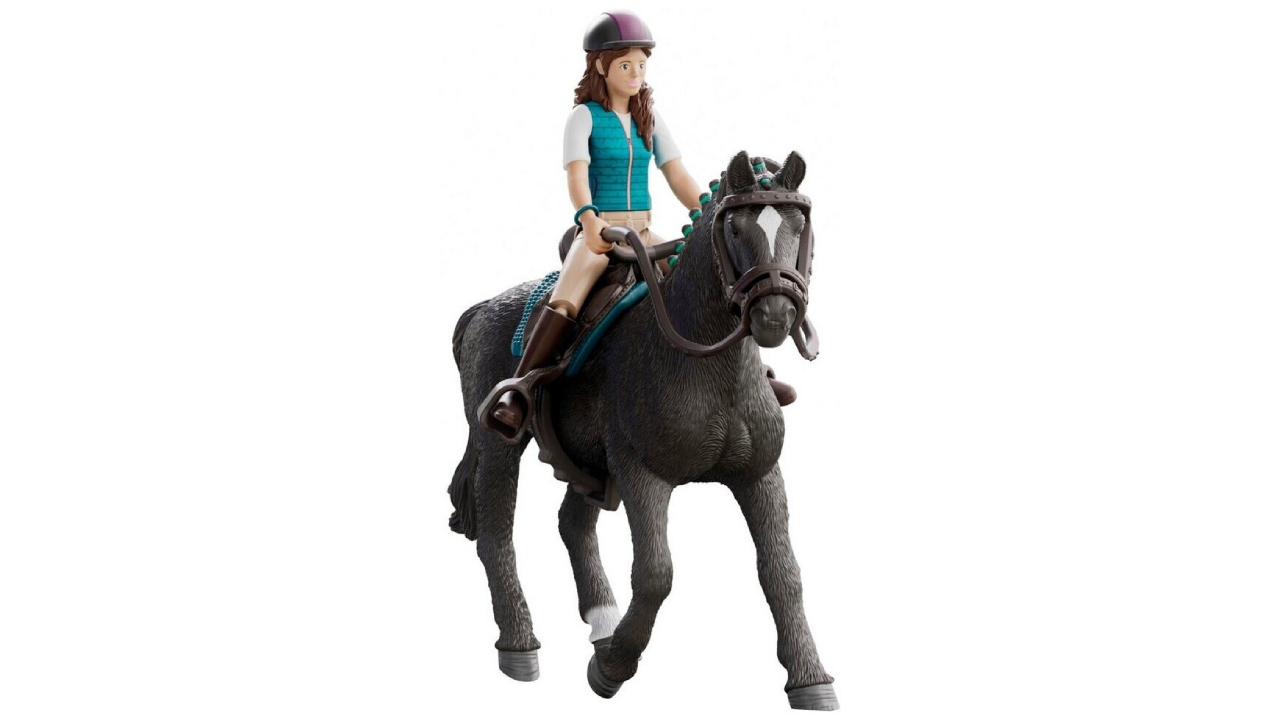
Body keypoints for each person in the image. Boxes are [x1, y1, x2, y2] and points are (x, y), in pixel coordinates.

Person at [488, 11, 794, 434]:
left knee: (713, 279)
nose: (635, 74)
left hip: (645, 233)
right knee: (567, 299)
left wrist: (710, 213)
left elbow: (677, 174)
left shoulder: (649, 118)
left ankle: (754, 375)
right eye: (625, 65)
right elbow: (577, 176)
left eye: (641, 65)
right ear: (601, 67)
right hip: (602, 234)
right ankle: (519, 388)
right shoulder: (584, 118)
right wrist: (589, 220)